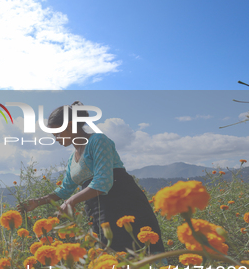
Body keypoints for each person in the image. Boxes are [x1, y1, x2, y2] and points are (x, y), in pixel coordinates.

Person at [17, 101, 165, 255]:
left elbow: (103, 181)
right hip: (98, 210)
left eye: (58, 134)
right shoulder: (72, 160)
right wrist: (38, 202)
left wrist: (71, 201)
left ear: (70, 125)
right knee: (112, 258)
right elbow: (64, 189)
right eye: (54, 135)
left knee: (140, 254)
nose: (56, 139)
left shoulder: (98, 141)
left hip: (124, 205)